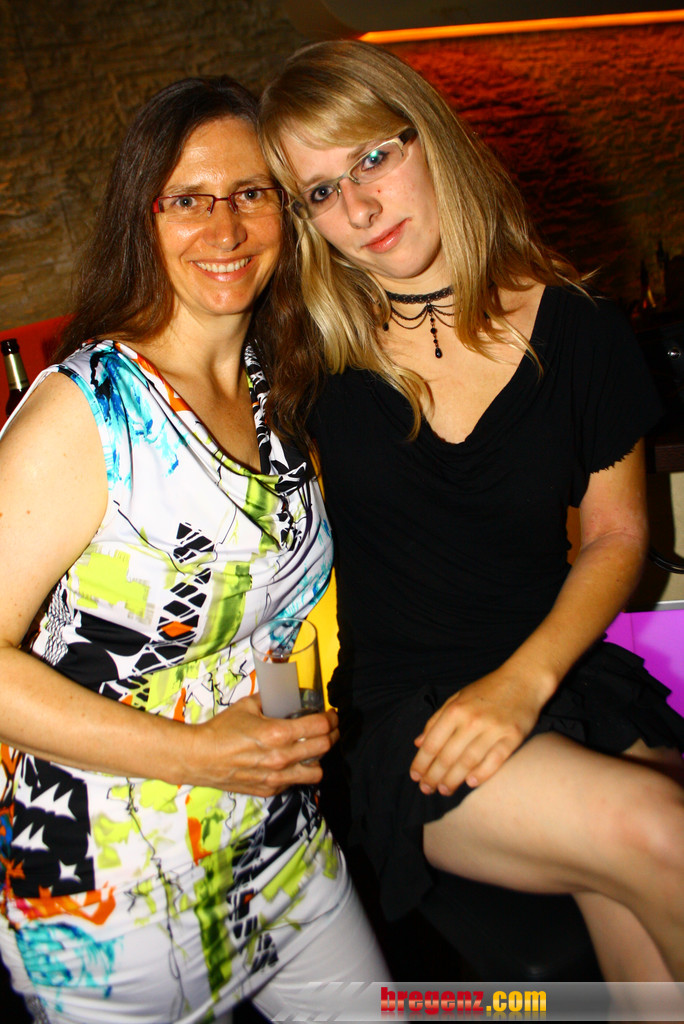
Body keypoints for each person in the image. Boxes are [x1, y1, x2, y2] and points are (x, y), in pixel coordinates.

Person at [258, 40, 684, 987]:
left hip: (559, 678)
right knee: (663, 834)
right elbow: (267, 563)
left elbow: (617, 536)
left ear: (431, 137)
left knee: (645, 942)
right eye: (321, 191)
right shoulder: (301, 356)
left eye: (373, 157)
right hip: (407, 719)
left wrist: (524, 683)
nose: (360, 208)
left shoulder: (579, 326)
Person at [0, 76, 386, 1024]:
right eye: (188, 199)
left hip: (283, 860)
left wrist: (287, 727)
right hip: (110, 907)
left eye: (251, 193)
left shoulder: (277, 387)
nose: (226, 227)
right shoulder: (87, 413)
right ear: (144, 218)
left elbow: (276, 607)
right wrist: (198, 754)